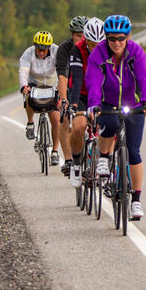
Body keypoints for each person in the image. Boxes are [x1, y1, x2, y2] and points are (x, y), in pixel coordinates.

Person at [85, 15, 146, 219]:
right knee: (108, 122)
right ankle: (105, 157)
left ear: (128, 37)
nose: (116, 43)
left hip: (132, 104)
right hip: (108, 101)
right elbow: (93, 80)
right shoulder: (98, 53)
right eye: (112, 38)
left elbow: (144, 77)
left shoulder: (135, 52)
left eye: (121, 38)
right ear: (106, 38)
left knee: (134, 152)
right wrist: (93, 104)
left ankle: (136, 200)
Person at [65, 17, 105, 187]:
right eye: (91, 43)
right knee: (79, 126)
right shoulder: (77, 49)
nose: (95, 47)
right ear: (85, 39)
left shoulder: (108, 49)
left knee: (111, 127)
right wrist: (73, 104)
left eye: (98, 43)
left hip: (102, 94)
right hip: (80, 93)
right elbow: (77, 75)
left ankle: (108, 165)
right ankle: (75, 163)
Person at [19, 31, 61, 167]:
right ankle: (30, 123)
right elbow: (23, 70)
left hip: (51, 83)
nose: (41, 52)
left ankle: (54, 152)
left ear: (49, 47)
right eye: (38, 49)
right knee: (28, 95)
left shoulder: (56, 51)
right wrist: (23, 86)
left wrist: (61, 87)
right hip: (34, 82)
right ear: (35, 46)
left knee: (55, 119)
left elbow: (63, 69)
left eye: (44, 50)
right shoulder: (28, 53)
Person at [55, 16, 89, 175]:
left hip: (90, 89)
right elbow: (63, 75)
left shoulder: (94, 47)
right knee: (65, 118)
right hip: (70, 88)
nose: (81, 39)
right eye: (77, 35)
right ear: (72, 35)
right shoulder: (64, 49)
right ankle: (69, 160)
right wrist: (63, 99)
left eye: (83, 35)